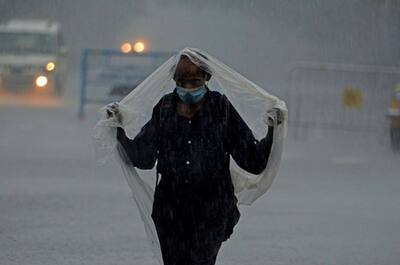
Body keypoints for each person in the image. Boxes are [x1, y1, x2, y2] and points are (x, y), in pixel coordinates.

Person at [106, 55, 283, 265]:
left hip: (211, 211)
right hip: (171, 211)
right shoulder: (165, 110)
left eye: (194, 82)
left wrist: (273, 129)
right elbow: (143, 156)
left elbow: (252, 160)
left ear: (206, 78)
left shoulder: (221, 110)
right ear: (173, 81)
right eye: (182, 82)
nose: (188, 89)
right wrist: (118, 129)